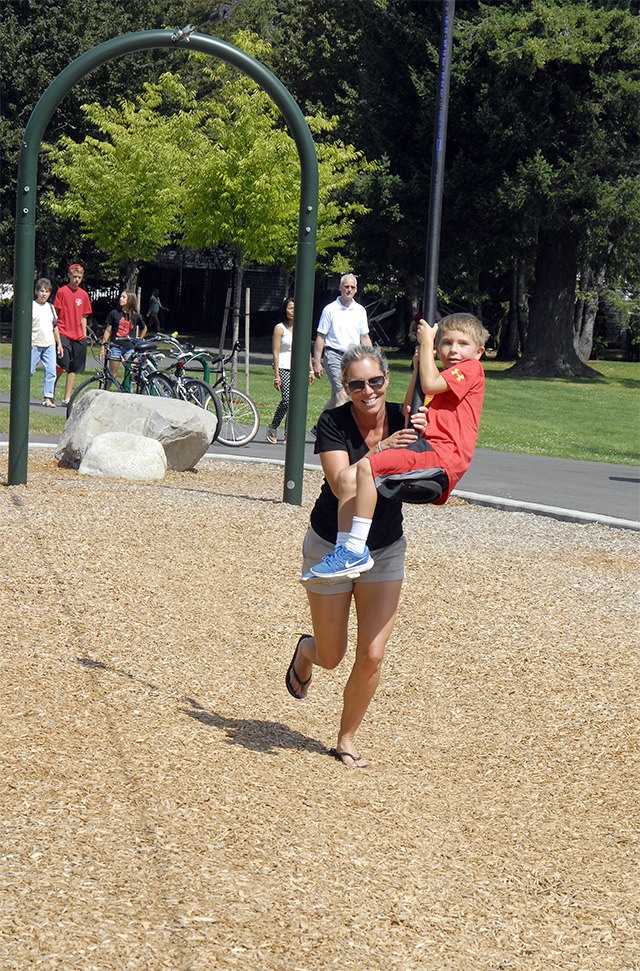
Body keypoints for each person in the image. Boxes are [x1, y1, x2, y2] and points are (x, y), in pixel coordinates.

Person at [285, 343, 427, 770]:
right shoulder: (333, 422)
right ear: (345, 387)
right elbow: (341, 483)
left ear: (387, 378)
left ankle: (346, 738)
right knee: (333, 656)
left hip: (384, 547)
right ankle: (306, 653)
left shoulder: (406, 417)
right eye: (357, 384)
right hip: (332, 545)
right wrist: (382, 452)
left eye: (376, 381)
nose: (368, 391)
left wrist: (428, 431)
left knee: (373, 654)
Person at [307, 313, 488, 581]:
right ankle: (345, 549)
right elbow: (409, 406)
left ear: (479, 351)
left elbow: (430, 384)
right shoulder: (446, 378)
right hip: (431, 449)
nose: (454, 350)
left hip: (443, 456)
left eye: (462, 344)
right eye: (446, 343)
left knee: (367, 466)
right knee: (353, 475)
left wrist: (426, 344)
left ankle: (355, 549)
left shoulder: (472, 369)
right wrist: (417, 368)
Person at [312, 274, 372, 416]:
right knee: (342, 394)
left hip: (352, 358)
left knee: (335, 397)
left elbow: (364, 337)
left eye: (352, 287)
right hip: (333, 355)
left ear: (356, 290)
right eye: (346, 286)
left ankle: (320, 427)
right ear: (340, 288)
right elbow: (321, 337)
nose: (349, 290)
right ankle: (339, 433)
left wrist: (372, 359)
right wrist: (317, 362)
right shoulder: (330, 309)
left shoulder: (360, 310)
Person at [266, 298, 314, 444]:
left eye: (296, 308)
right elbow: (275, 352)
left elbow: (306, 350)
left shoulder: (302, 327)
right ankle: (273, 426)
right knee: (287, 400)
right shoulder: (280, 328)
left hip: (299, 369)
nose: (293, 311)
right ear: (285, 310)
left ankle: (289, 434)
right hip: (283, 367)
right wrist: (276, 376)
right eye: (291, 308)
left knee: (296, 402)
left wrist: (311, 370)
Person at [53, 263, 92, 405]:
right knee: (63, 364)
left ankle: (67, 397)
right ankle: (51, 389)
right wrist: (55, 332)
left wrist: (84, 333)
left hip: (78, 335)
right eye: (74, 276)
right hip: (63, 331)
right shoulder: (62, 292)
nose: (77, 279)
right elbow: (56, 313)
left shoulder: (84, 295)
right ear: (69, 275)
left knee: (74, 367)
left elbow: (84, 316)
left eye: (79, 277)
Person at [100, 291, 148, 379]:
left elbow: (144, 328)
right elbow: (108, 331)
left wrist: (140, 339)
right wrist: (103, 346)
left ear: (130, 300)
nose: (120, 298)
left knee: (131, 371)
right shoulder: (114, 313)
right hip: (115, 347)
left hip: (130, 348)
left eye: (123, 297)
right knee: (112, 374)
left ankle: (126, 389)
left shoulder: (136, 316)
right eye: (121, 296)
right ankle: (106, 390)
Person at [31, 278, 63, 408]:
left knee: (51, 372)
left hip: (49, 344)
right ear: (37, 292)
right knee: (29, 371)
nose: (44, 294)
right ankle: (21, 394)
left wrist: (59, 344)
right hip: (35, 344)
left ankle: (48, 397)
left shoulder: (50, 307)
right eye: (42, 291)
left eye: (47, 291)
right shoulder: (31, 306)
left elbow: (55, 326)